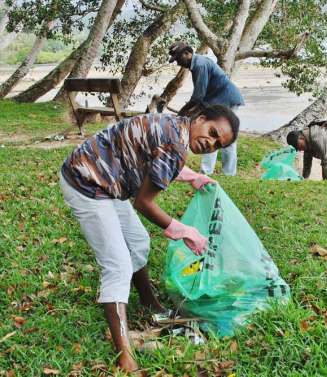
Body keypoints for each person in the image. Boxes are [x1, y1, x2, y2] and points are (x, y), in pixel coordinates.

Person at [59, 105, 239, 373]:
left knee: (139, 242)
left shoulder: (176, 126)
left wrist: (192, 177)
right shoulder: (176, 145)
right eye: (212, 132)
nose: (209, 143)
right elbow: (144, 203)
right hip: (87, 183)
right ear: (200, 119)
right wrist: (183, 231)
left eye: (217, 144)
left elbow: (157, 156)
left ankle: (148, 302)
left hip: (105, 177)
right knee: (117, 266)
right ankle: (124, 356)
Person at [168, 42, 244, 177]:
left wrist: (182, 113)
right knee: (213, 133)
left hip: (227, 99)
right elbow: (200, 98)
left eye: (179, 58)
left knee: (217, 135)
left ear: (187, 53)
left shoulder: (200, 64)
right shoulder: (197, 63)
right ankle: (222, 172)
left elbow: (198, 96)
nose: (178, 63)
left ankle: (218, 172)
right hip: (218, 99)